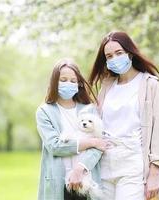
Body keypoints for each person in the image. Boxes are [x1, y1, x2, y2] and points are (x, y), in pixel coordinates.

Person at [88, 31, 159, 200]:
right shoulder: (107, 86)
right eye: (109, 56)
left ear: (130, 53)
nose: (114, 59)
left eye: (119, 53)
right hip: (104, 163)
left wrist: (155, 172)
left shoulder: (150, 85)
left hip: (133, 163)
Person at [36, 58, 110, 200]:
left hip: (87, 181)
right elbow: (54, 146)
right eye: (63, 80)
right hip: (58, 182)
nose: (68, 84)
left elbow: (98, 148)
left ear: (79, 84)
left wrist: (79, 168)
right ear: (54, 82)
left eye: (72, 80)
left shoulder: (89, 110)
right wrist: (91, 142)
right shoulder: (44, 112)